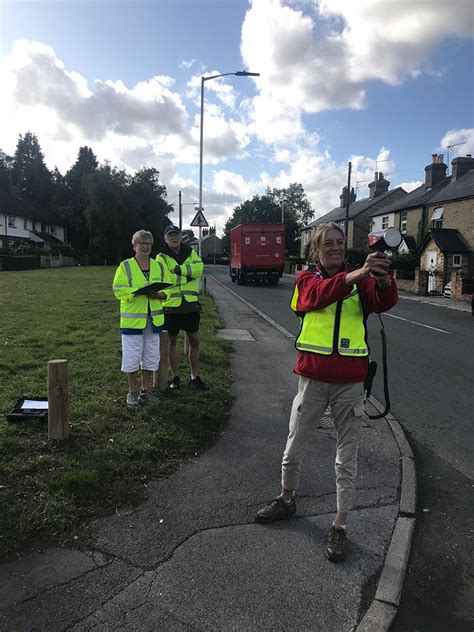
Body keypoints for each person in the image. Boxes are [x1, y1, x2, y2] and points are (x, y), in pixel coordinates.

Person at [255, 222, 398, 563]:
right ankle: (287, 499)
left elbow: (383, 302)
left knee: (345, 458)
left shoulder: (360, 280)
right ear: (315, 251)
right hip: (313, 380)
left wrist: (379, 278)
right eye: (327, 244)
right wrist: (358, 274)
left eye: (338, 243)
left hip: (350, 383)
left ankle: (340, 524)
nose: (334, 248)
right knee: (294, 446)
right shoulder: (305, 280)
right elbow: (314, 298)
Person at [113, 230, 167, 407]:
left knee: (151, 356)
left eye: (148, 244)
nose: (145, 247)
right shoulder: (125, 266)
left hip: (153, 320)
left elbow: (168, 290)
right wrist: (136, 293)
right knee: (132, 357)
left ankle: (145, 391)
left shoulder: (158, 266)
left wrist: (159, 295)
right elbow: (118, 289)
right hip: (133, 321)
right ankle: (132, 392)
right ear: (134, 245)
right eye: (141, 243)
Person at [156, 224, 207, 391]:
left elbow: (200, 269)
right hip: (170, 307)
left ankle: (194, 376)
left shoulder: (190, 252)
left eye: (176, 234)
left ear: (181, 236)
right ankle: (175, 377)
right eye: (170, 235)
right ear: (165, 239)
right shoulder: (161, 257)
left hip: (190, 305)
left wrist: (179, 270)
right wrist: (187, 276)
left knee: (195, 340)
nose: (174, 237)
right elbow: (165, 278)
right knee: (171, 343)